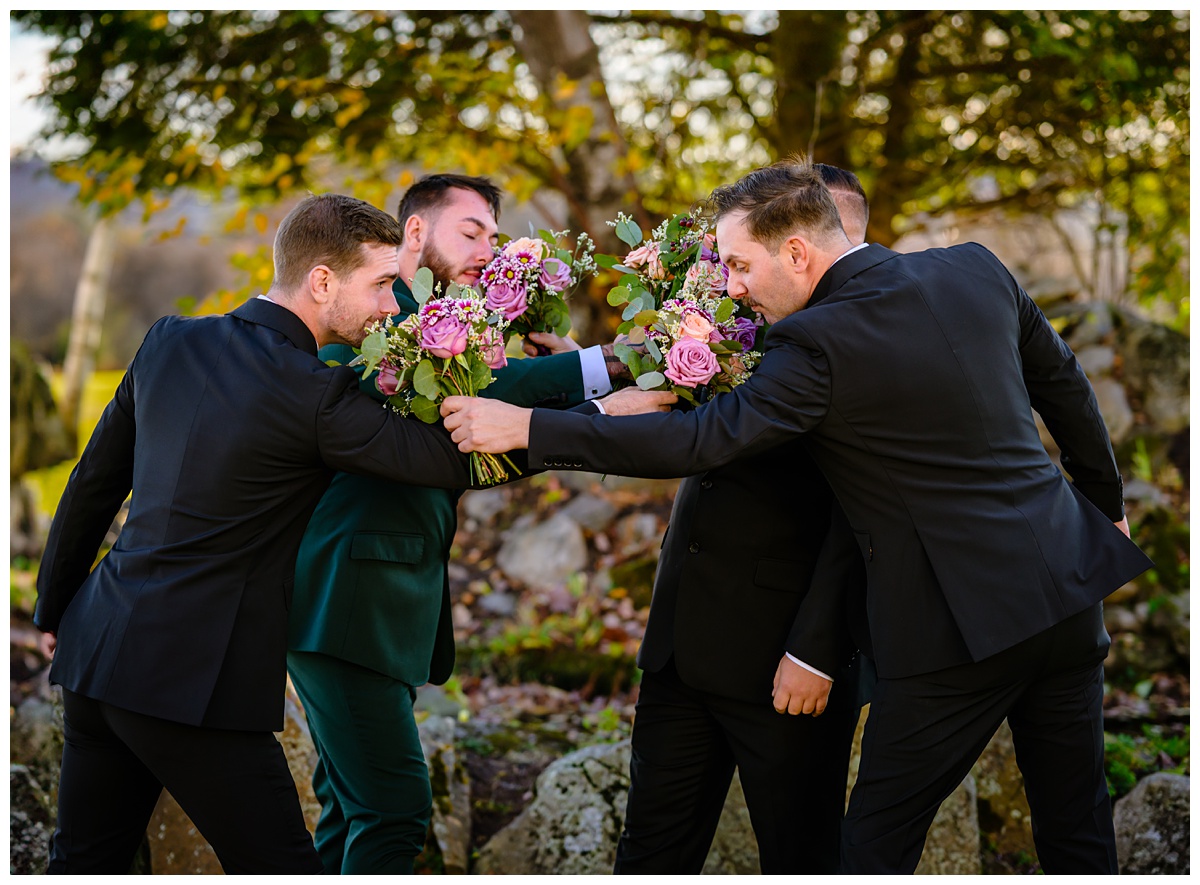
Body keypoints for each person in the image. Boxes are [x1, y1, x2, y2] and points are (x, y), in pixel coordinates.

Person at [438, 158, 1154, 874]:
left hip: (956, 628)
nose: (735, 286)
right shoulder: (974, 268)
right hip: (1068, 589)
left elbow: (699, 438)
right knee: (1078, 831)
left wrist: (528, 428)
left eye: (741, 264)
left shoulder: (814, 345)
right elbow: (1063, 379)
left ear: (797, 252)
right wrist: (1104, 504)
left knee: (871, 850)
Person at [32, 193, 497, 875]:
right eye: (379, 284)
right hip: (193, 683)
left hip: (97, 652)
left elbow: (92, 485)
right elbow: (445, 459)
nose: (391, 306)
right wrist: (587, 421)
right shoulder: (314, 395)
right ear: (321, 280)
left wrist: (54, 606)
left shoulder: (169, 341)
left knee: (85, 861)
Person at [285, 173, 656, 874]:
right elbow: (482, 410)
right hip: (344, 602)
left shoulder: (438, 333)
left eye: (494, 231)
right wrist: (613, 373)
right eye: (472, 231)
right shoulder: (373, 318)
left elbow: (484, 419)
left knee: (349, 807)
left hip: (372, 608)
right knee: (393, 811)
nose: (492, 246)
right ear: (415, 235)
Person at [606, 165, 872, 875]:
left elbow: (862, 519)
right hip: (680, 644)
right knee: (650, 853)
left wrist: (818, 648)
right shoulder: (733, 312)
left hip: (786, 662)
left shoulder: (866, 344)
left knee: (803, 855)